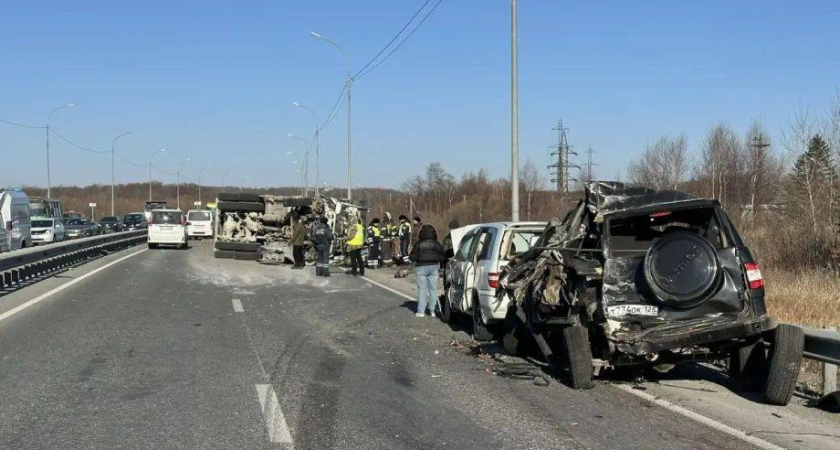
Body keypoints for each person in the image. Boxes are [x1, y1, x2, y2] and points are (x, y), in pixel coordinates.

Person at [409, 224, 444, 318]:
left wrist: (415, 259)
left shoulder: (419, 243)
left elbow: (412, 257)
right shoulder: (437, 244)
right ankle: (432, 311)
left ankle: (421, 311)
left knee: (422, 289)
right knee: (433, 290)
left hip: (421, 267)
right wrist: (441, 265)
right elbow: (442, 256)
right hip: (434, 267)